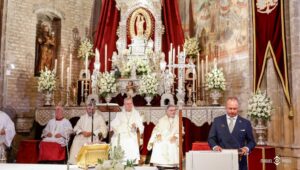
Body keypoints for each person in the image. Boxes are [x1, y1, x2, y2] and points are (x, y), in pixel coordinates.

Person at [208, 97, 256, 170]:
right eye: (230, 108)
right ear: (226, 108)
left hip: (240, 161)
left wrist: (246, 148)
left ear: (238, 108)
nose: (232, 111)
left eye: (234, 109)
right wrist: (215, 147)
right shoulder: (217, 121)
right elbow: (211, 138)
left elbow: (251, 142)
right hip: (221, 159)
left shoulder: (245, 123)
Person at [110, 97, 144, 163]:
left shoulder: (136, 113)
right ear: (124, 104)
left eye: (130, 103)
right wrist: (115, 128)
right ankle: (119, 161)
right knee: (117, 140)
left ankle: (132, 161)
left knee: (130, 141)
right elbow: (114, 124)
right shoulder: (119, 113)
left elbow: (141, 126)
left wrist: (136, 126)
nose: (129, 105)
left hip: (132, 134)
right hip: (121, 133)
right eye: (127, 104)